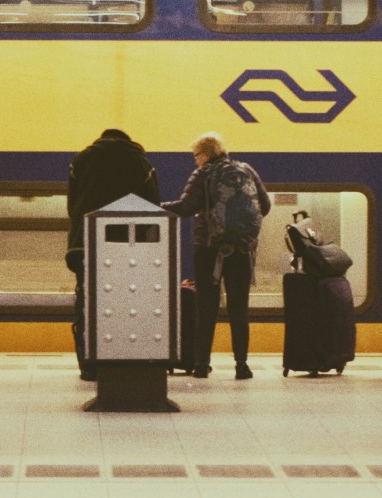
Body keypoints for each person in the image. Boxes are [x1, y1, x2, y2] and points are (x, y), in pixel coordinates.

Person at [161, 132, 270, 380]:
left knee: (206, 307)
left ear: (206, 154)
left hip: (209, 250)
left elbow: (186, 207)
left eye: (196, 156)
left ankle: (201, 365)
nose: (195, 161)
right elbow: (265, 206)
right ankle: (242, 365)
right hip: (242, 250)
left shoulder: (203, 174)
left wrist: (157, 206)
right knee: (239, 309)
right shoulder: (246, 170)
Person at [65, 128, 160, 379]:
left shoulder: (81, 160)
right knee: (126, 303)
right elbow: (154, 207)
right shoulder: (140, 162)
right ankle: (122, 359)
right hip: (128, 250)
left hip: (84, 244)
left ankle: (88, 365)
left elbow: (72, 205)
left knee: (87, 302)